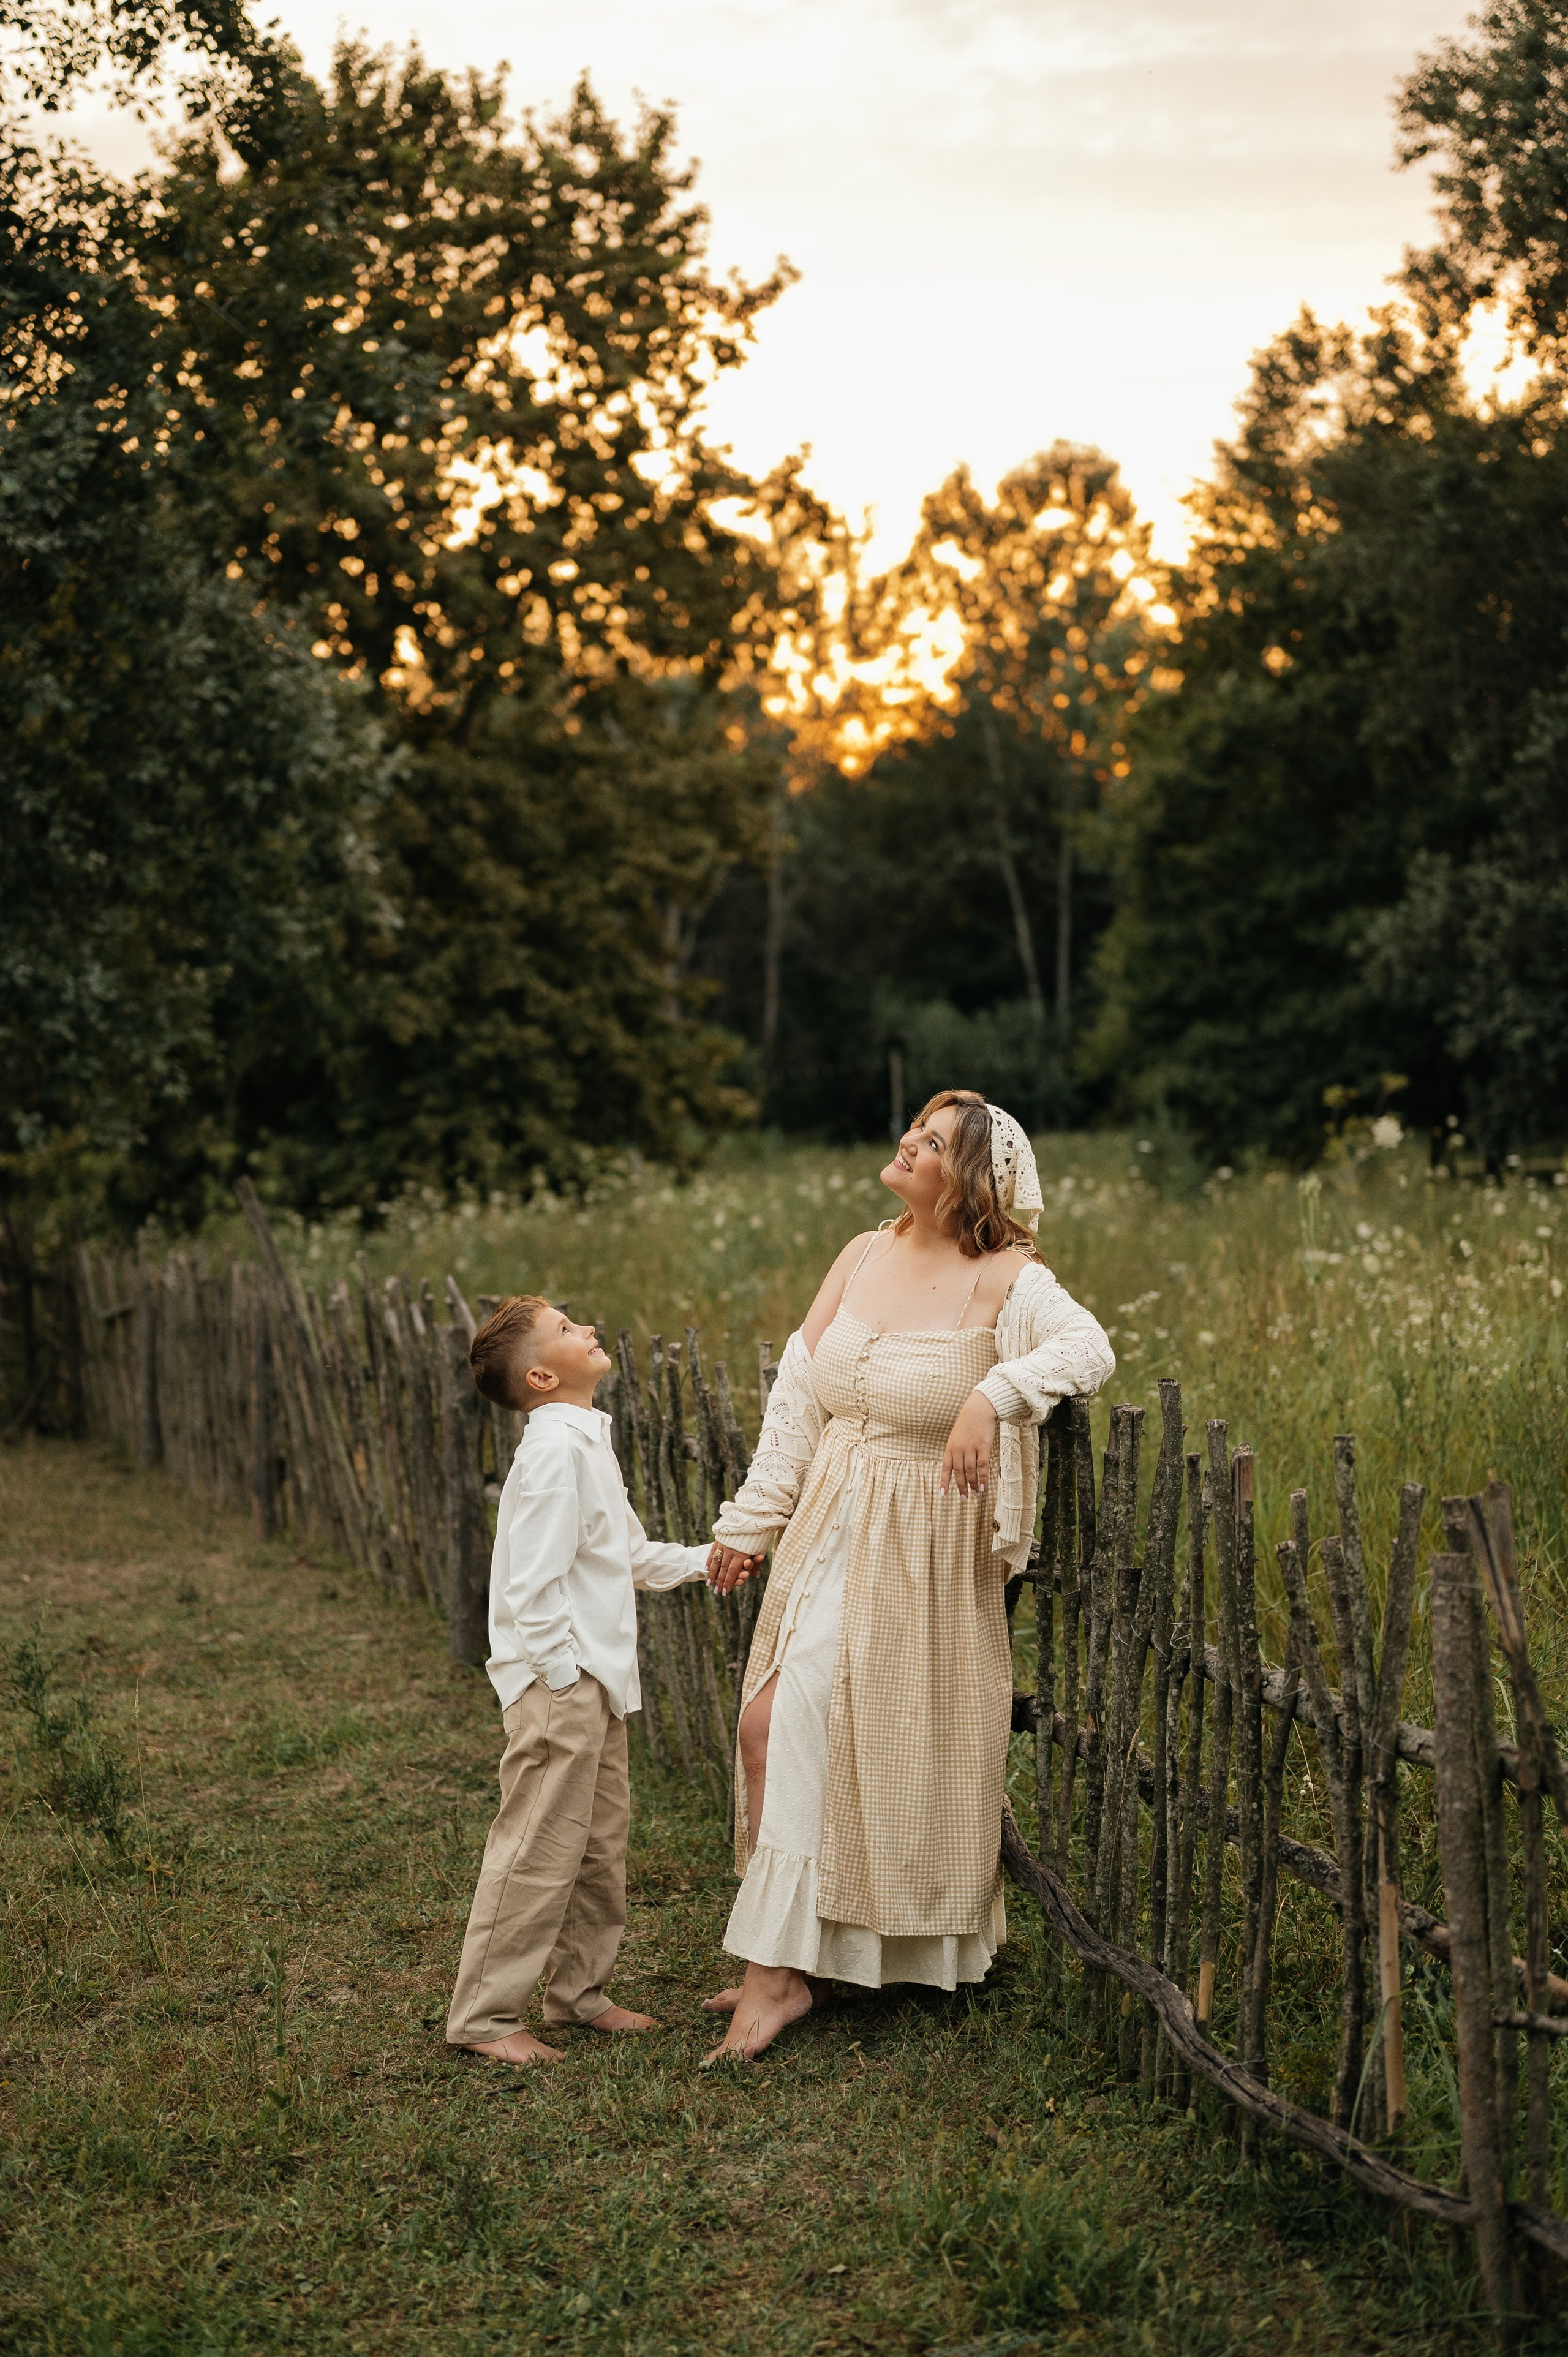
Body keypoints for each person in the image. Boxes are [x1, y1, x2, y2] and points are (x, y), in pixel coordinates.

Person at [703, 1092, 1114, 2062]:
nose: (908, 1143)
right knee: (773, 1728)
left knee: (847, 1740)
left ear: (970, 1176)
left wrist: (991, 1392)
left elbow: (1087, 1350)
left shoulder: (1008, 1276)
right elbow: (799, 1398)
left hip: (923, 1546)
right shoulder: (861, 1252)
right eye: (915, 1130)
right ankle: (783, 1956)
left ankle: (778, 1978)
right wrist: (754, 1521)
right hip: (832, 1522)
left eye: (931, 1142)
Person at [445, 1295, 740, 2066]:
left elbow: (627, 1556)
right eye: (566, 1330)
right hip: (561, 1684)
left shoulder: (583, 1440)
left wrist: (708, 1558)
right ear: (542, 1374)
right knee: (539, 1847)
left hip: (595, 1681)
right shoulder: (552, 1453)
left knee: (598, 1846)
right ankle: (484, 2014)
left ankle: (580, 1993)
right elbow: (530, 1589)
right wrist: (561, 1676)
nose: (586, 1330)